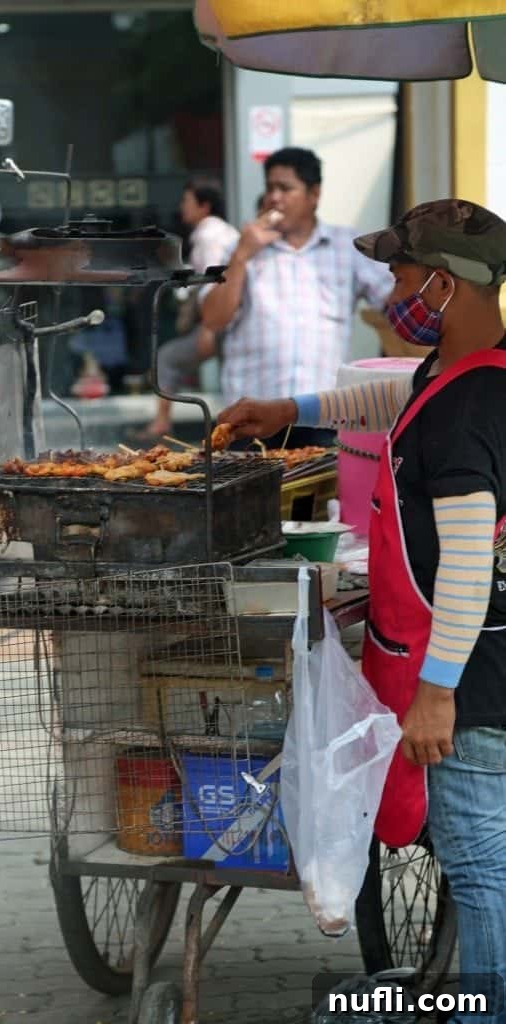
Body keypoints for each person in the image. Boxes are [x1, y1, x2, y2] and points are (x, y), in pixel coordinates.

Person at [218, 199, 506, 1024]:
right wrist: (290, 412)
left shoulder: (462, 415)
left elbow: (463, 567)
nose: (392, 292)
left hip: (472, 679)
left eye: (403, 274)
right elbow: (389, 409)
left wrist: (436, 689)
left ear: (445, 285)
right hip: (488, 664)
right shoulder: (462, 376)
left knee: (481, 869)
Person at [201, 147, 392, 448]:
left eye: (285, 188)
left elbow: (394, 302)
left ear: (313, 194)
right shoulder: (244, 247)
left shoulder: (346, 246)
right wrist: (241, 255)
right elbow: (213, 318)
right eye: (270, 188)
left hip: (321, 417)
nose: (274, 197)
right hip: (249, 418)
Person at [142, 178, 238, 439]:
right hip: (231, 320)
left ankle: (162, 423)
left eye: (187, 200)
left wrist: (208, 327)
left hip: (221, 320)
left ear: (204, 205)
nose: (182, 206)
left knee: (166, 358)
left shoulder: (210, 236)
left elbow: (213, 281)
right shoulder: (223, 232)